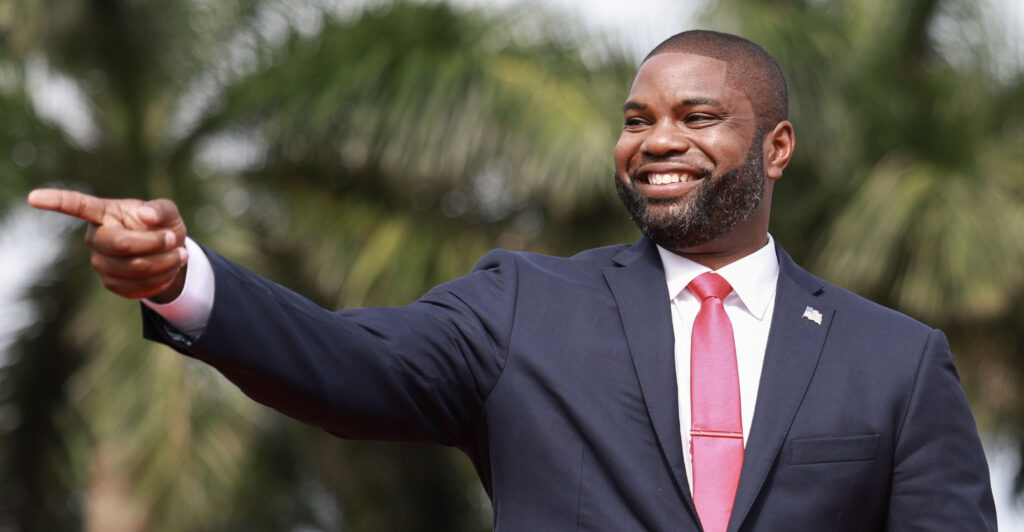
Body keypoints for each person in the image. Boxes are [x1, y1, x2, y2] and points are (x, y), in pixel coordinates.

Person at [28, 30, 997, 531]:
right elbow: (345, 363)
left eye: (697, 117)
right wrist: (182, 276)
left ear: (776, 147)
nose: (656, 140)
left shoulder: (896, 363)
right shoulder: (524, 309)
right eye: (636, 120)